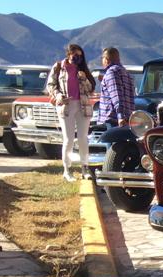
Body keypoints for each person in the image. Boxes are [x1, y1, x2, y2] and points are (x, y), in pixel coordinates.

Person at [45, 44, 97, 181]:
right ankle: (67, 170)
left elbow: (90, 88)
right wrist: (58, 95)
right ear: (69, 55)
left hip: (83, 105)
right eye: (75, 55)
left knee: (83, 138)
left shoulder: (82, 69)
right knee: (68, 139)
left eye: (80, 56)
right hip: (66, 105)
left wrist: (84, 78)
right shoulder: (59, 68)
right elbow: (51, 85)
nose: (78, 58)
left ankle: (85, 167)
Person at [97, 46, 135, 130]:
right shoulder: (126, 73)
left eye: (102, 58)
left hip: (113, 120)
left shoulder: (111, 72)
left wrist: (120, 116)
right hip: (127, 118)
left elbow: (117, 95)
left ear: (106, 59)